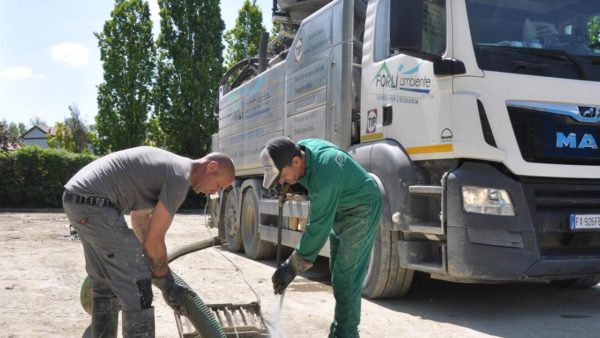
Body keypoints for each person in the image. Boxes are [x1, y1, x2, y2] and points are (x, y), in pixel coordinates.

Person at [62, 146, 234, 337]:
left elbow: (140, 219)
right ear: (211, 166)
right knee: (138, 288)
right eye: (218, 185)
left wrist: (148, 261)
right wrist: (167, 281)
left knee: (105, 284)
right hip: (96, 205)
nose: (214, 192)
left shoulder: (169, 167)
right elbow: (154, 241)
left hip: (76, 199)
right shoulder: (179, 178)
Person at [260, 137, 381, 338]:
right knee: (338, 271)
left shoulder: (325, 174)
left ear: (296, 162)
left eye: (281, 176)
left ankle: (346, 334)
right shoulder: (303, 150)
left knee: (346, 277)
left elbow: (317, 227)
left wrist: (292, 267)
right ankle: (339, 331)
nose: (281, 182)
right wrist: (297, 183)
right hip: (342, 208)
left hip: (362, 210)